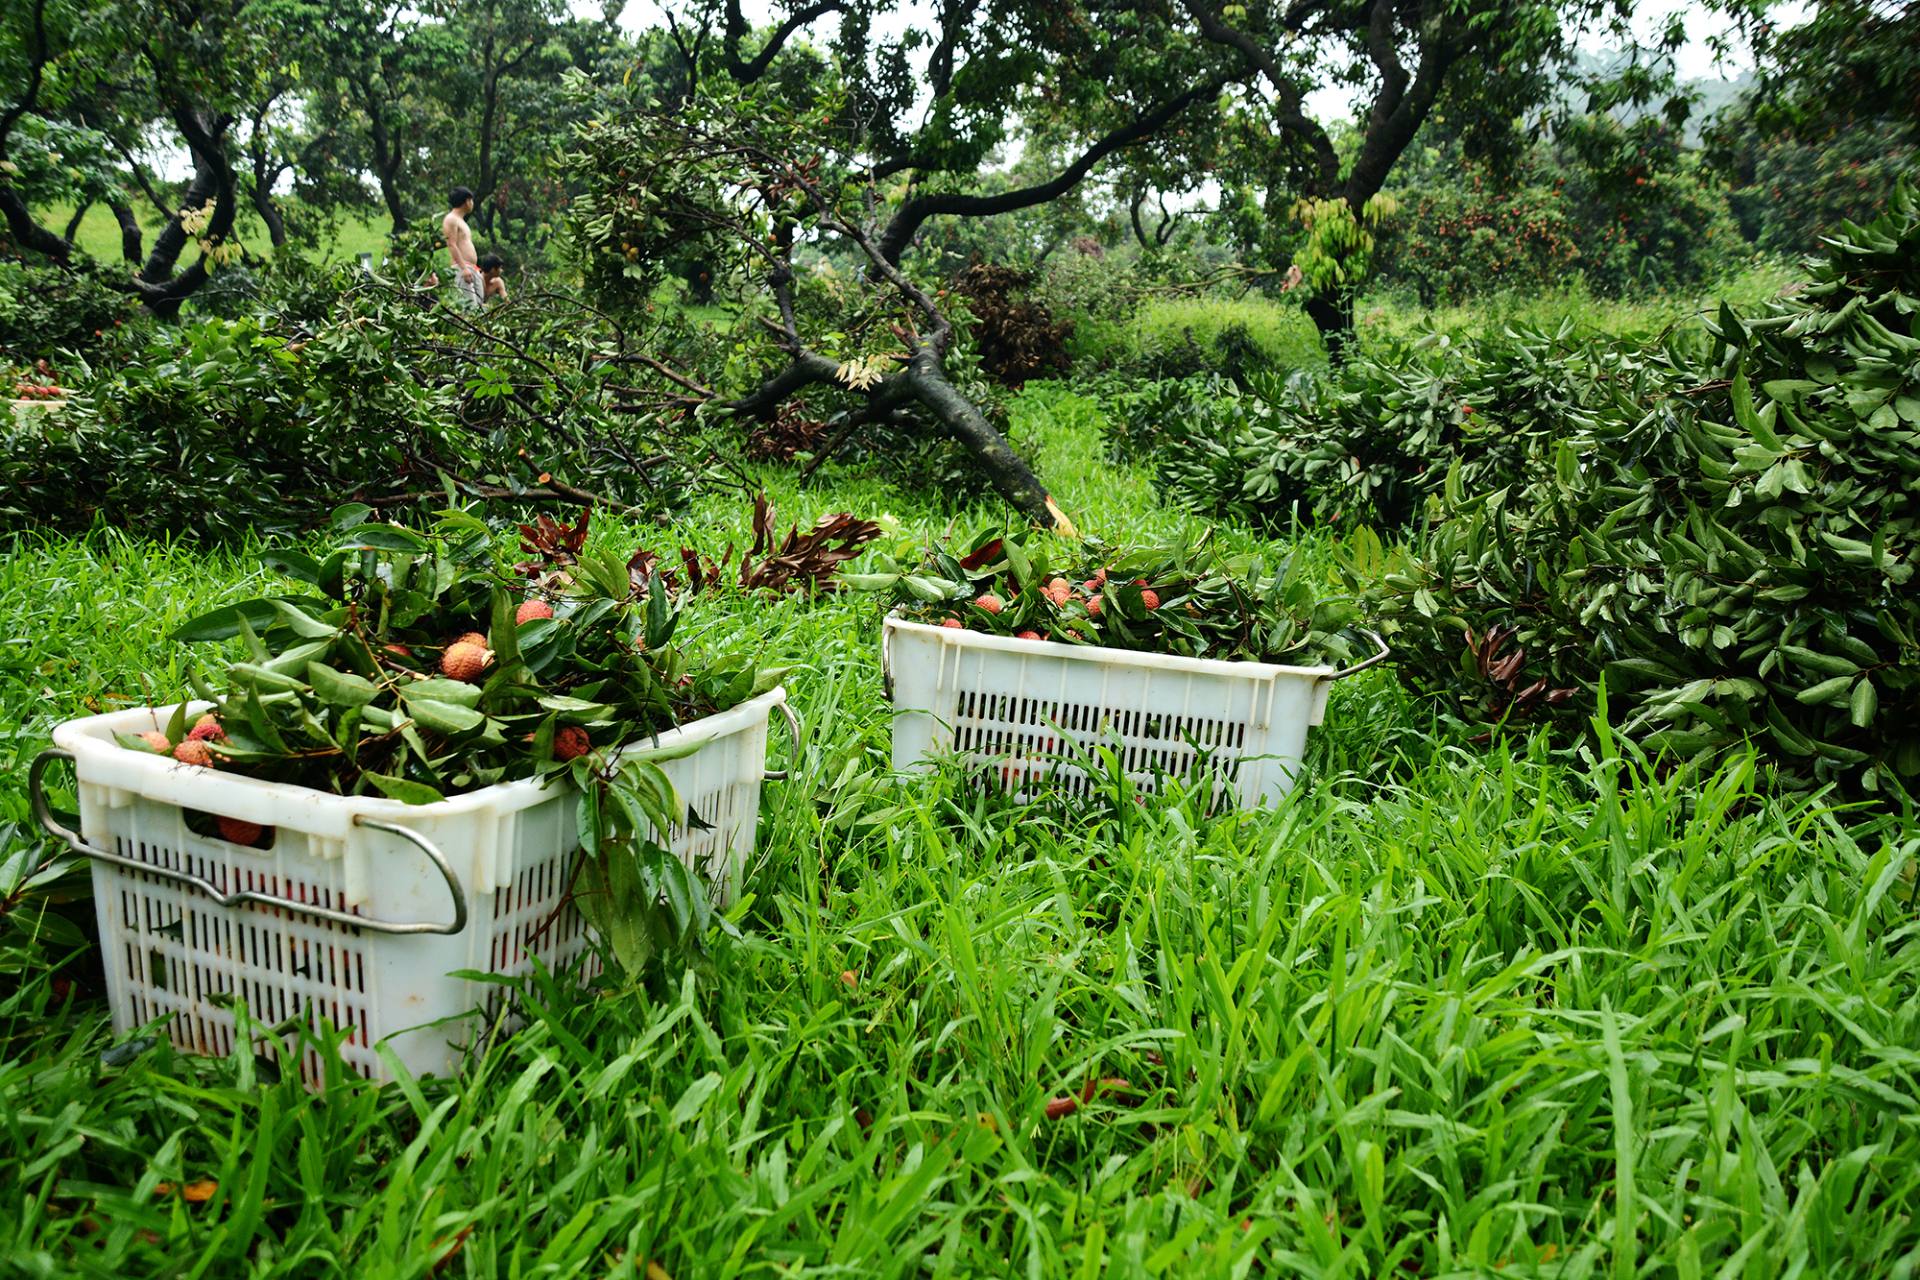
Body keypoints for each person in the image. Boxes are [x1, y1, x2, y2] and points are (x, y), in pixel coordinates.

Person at [440, 186, 484, 309]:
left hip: (472, 268)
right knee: (469, 308)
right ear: (466, 201)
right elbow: (451, 244)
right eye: (471, 200)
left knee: (479, 307)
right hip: (462, 268)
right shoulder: (451, 219)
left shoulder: (462, 221)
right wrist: (463, 268)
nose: (472, 204)